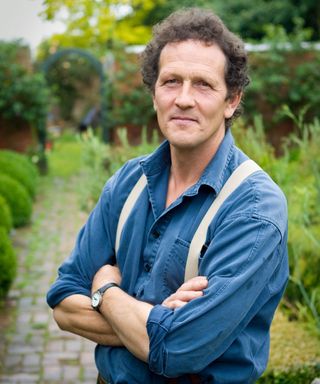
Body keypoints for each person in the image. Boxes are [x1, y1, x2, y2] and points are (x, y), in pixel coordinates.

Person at [47, 8, 288, 384]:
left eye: (204, 84)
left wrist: (105, 290)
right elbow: (62, 301)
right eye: (171, 81)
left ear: (232, 101)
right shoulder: (128, 181)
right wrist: (154, 321)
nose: (184, 99)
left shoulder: (254, 208)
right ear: (154, 92)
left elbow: (179, 348)